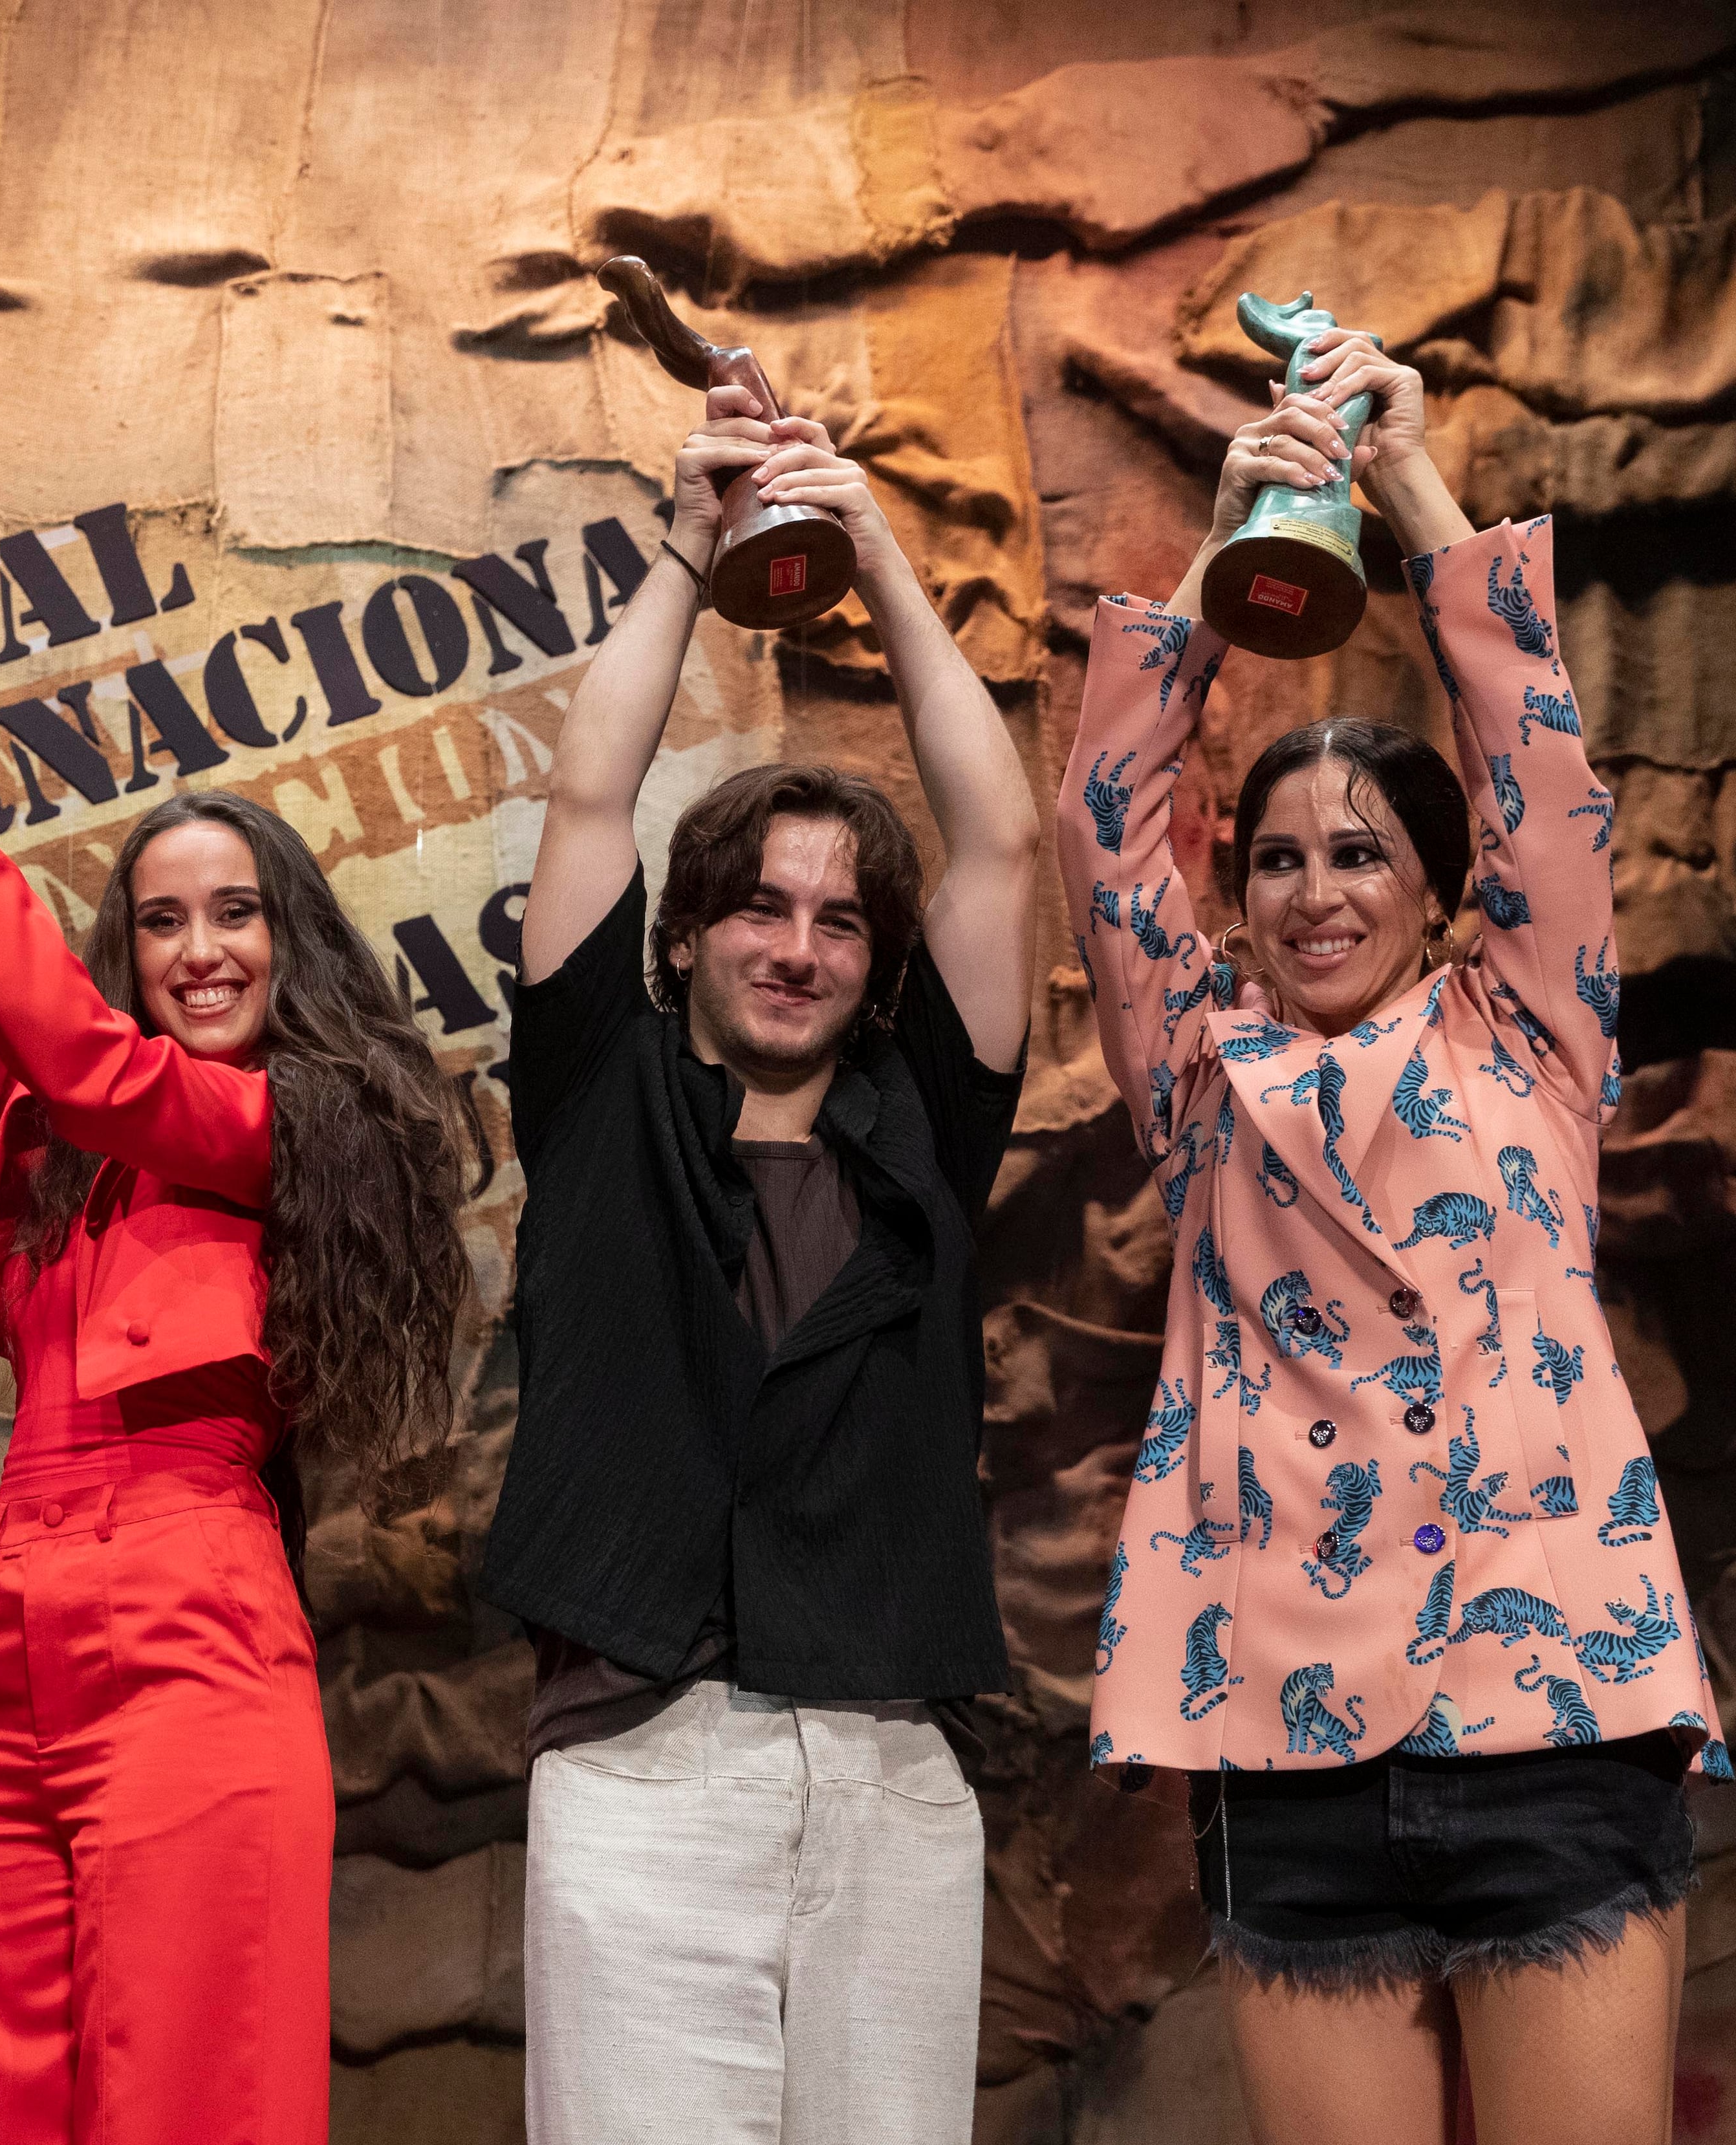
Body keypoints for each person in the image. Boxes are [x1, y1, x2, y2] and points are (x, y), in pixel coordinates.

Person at [1063, 337, 1722, 2145]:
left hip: (1559, 1712)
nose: (1316, 888)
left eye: (1360, 854)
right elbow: (1107, 828)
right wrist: (1225, 557)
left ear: (1437, 889)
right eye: (1275, 859)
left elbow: (1540, 761)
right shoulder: (1204, 1069)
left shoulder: (1529, 1028)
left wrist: (1412, 483)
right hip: (1289, 1733)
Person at [0, 477, 471, 2145]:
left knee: (186, 2107)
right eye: (161, 920)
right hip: (3, 1623)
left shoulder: (303, 1124)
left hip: (193, 1626)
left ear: (292, 939)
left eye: (237, 914)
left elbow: (85, 1055)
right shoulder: (68, 1138)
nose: (200, 948)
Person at [492, 395, 1044, 2142]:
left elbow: (1004, 842)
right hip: (646, 1753)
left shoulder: (924, 1116)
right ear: (684, 929)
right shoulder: (602, 1088)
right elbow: (591, 783)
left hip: (890, 1750)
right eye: (757, 903)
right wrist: (689, 542)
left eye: (836, 916)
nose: (796, 944)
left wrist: (869, 545)